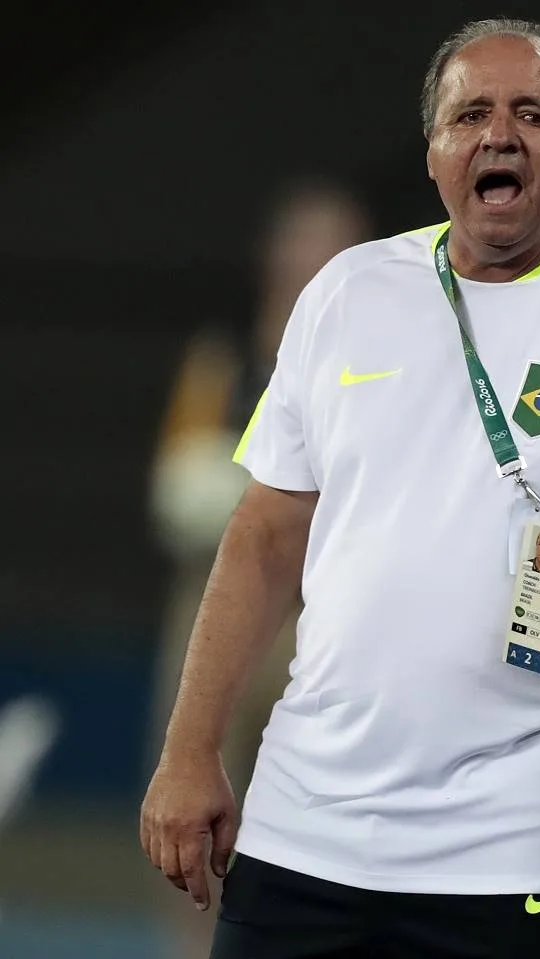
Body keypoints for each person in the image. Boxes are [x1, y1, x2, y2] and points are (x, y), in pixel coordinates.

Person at [140, 18, 540, 959]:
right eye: (471, 113)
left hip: (525, 861)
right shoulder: (345, 295)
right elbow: (264, 537)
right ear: (436, 149)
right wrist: (189, 748)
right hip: (304, 839)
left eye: (533, 114)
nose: (499, 134)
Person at [146, 180, 370, 957]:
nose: (313, 258)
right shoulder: (224, 359)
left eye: (331, 242)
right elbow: (174, 481)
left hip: (321, 617)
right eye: (301, 241)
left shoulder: (375, 368)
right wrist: (219, 494)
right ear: (274, 257)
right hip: (215, 604)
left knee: (320, 812)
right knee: (189, 803)